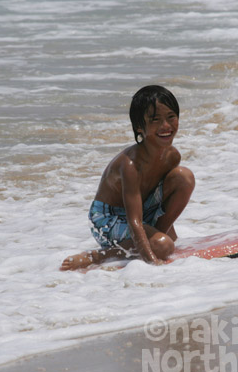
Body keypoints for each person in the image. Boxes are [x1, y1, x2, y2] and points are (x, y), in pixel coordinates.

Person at [60, 85, 195, 270]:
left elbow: (158, 200)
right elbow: (134, 221)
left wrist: (165, 236)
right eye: (155, 120)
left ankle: (155, 239)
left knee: (184, 177)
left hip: (139, 210)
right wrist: (152, 262)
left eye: (171, 117)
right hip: (108, 218)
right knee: (163, 246)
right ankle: (98, 256)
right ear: (139, 127)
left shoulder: (172, 156)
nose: (166, 126)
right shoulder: (130, 165)